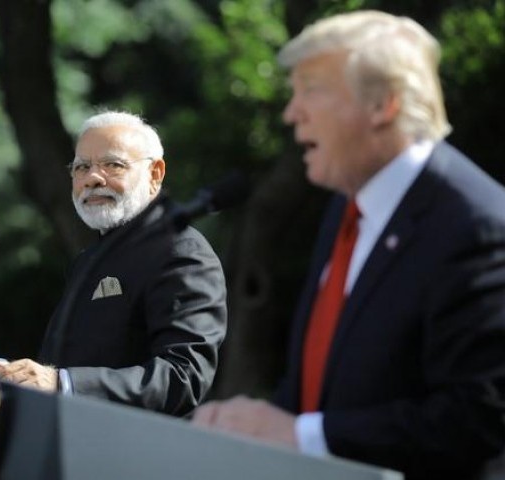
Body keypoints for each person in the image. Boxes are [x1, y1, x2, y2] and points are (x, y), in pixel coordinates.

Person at [192, 10, 505, 479]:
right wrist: (252, 427)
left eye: (311, 89)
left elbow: (478, 417)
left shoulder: (477, 224)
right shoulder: (348, 201)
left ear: (384, 105)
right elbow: (322, 385)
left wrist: (302, 436)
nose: (291, 112)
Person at [0, 110, 227, 417]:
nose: (92, 178)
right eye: (81, 167)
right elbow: (57, 375)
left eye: (113, 165)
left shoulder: (181, 253)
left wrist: (61, 382)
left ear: (155, 173)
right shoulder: (90, 260)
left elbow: (184, 377)